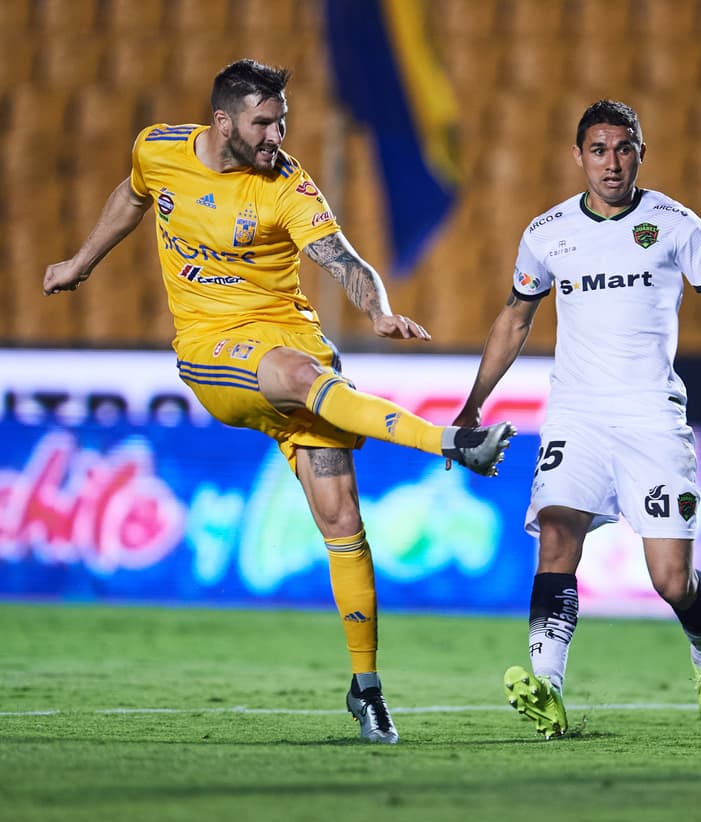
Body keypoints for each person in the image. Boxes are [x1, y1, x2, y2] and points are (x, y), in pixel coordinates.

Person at [43, 59, 517, 745]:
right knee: (301, 374)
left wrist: (378, 310)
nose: (277, 135)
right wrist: (81, 262)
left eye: (282, 122)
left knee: (343, 517)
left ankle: (367, 688)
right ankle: (448, 442)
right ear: (224, 122)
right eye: (264, 123)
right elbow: (131, 193)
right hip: (216, 350)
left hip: (291, 339)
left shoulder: (288, 184)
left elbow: (345, 261)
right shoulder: (160, 149)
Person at [452, 99, 701, 738]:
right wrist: (474, 401)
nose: (611, 162)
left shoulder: (676, 225)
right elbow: (515, 319)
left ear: (640, 153)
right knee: (557, 535)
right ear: (578, 157)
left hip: (652, 417)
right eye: (599, 150)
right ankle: (547, 686)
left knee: (671, 581)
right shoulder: (547, 232)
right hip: (577, 415)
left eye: (623, 148)